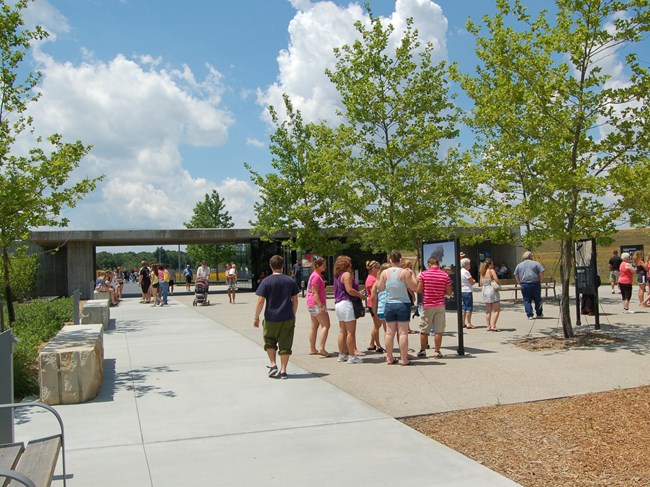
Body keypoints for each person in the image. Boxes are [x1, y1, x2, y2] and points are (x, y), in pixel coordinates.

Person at [253, 255, 300, 379]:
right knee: (286, 344)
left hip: (271, 317)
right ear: (283, 266)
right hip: (287, 317)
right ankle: (283, 370)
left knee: (269, 341)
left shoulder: (266, 281)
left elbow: (260, 301)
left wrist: (256, 317)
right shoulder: (290, 280)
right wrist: (293, 314)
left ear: (270, 265)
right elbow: (295, 300)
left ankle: (273, 364)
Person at [377, 251, 418, 365]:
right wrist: (412, 274)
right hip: (403, 303)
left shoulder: (385, 273)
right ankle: (404, 359)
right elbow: (414, 287)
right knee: (403, 333)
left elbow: (380, 288)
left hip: (389, 303)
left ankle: (389, 357)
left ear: (390, 261)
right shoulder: (404, 272)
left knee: (389, 333)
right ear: (400, 260)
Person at [416, 256, 452, 359]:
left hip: (427, 304)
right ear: (438, 264)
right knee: (438, 330)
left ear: (429, 264)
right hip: (440, 304)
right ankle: (437, 351)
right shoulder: (445, 275)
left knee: (424, 329)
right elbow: (449, 292)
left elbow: (419, 290)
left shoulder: (424, 274)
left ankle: (423, 351)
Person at [333, 255, 366, 364]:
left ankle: (342, 354)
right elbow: (349, 289)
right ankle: (352, 356)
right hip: (346, 303)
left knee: (342, 331)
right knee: (351, 332)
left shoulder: (337, 276)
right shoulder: (346, 274)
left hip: (338, 304)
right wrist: (359, 295)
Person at [305, 257, 331, 357]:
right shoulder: (316, 276)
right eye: (323, 265)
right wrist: (320, 305)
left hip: (311, 304)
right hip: (316, 303)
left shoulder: (315, 275)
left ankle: (312, 348)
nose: (325, 267)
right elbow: (315, 292)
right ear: (317, 266)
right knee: (326, 325)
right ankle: (322, 348)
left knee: (314, 326)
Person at [514, 251, 545, 320]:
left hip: (524, 284)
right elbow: (541, 272)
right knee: (537, 299)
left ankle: (529, 314)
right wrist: (541, 281)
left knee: (526, 300)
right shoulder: (536, 264)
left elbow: (516, 275)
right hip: (535, 283)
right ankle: (539, 313)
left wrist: (519, 282)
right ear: (531, 256)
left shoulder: (519, 265)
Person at [365, 260, 385, 353]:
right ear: (373, 268)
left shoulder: (373, 278)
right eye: (378, 268)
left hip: (374, 304)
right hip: (373, 304)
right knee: (377, 325)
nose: (379, 269)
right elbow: (372, 295)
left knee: (376, 325)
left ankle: (372, 343)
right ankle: (378, 345)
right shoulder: (371, 279)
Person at [480, 258, 501, 331]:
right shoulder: (491, 271)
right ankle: (493, 325)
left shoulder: (483, 272)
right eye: (492, 263)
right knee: (497, 309)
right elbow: (496, 280)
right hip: (492, 290)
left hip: (485, 290)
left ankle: (488, 326)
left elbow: (481, 283)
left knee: (488, 310)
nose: (493, 265)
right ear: (490, 264)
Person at [460, 258, 476, 328]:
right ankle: (468, 323)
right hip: (467, 290)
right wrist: (474, 281)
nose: (470, 265)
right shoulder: (466, 272)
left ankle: (463, 322)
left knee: (464, 307)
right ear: (465, 264)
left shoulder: (460, 271)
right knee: (469, 307)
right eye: (469, 264)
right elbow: (471, 282)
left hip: (462, 290)